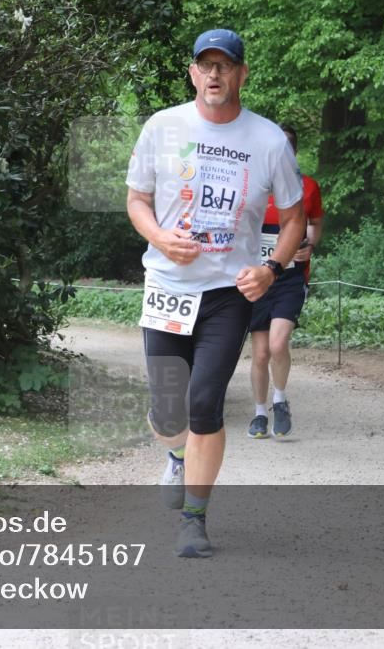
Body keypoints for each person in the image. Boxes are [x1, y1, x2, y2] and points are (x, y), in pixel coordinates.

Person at [125, 29, 304, 557]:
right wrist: (160, 236)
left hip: (228, 292)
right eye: (206, 66)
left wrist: (271, 269)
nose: (215, 75)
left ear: (242, 74)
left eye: (225, 66)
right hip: (166, 286)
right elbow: (136, 200)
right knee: (165, 410)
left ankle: (194, 521)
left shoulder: (269, 140)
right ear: (192, 73)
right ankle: (176, 458)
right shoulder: (162, 127)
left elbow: (293, 220)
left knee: (204, 404)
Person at [247, 125, 323, 439]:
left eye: (287, 146)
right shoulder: (253, 184)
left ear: (293, 150)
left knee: (278, 344)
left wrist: (310, 245)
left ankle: (280, 400)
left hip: (290, 277)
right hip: (257, 278)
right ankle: (259, 414)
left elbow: (315, 223)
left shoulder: (307, 187)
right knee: (261, 353)